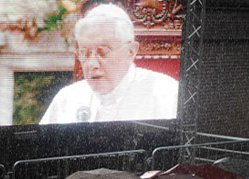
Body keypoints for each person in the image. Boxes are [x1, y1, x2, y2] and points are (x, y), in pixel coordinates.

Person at [40, 4, 178, 124]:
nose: (92, 64)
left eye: (103, 52)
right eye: (85, 53)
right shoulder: (67, 99)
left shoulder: (166, 94)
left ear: (130, 52)